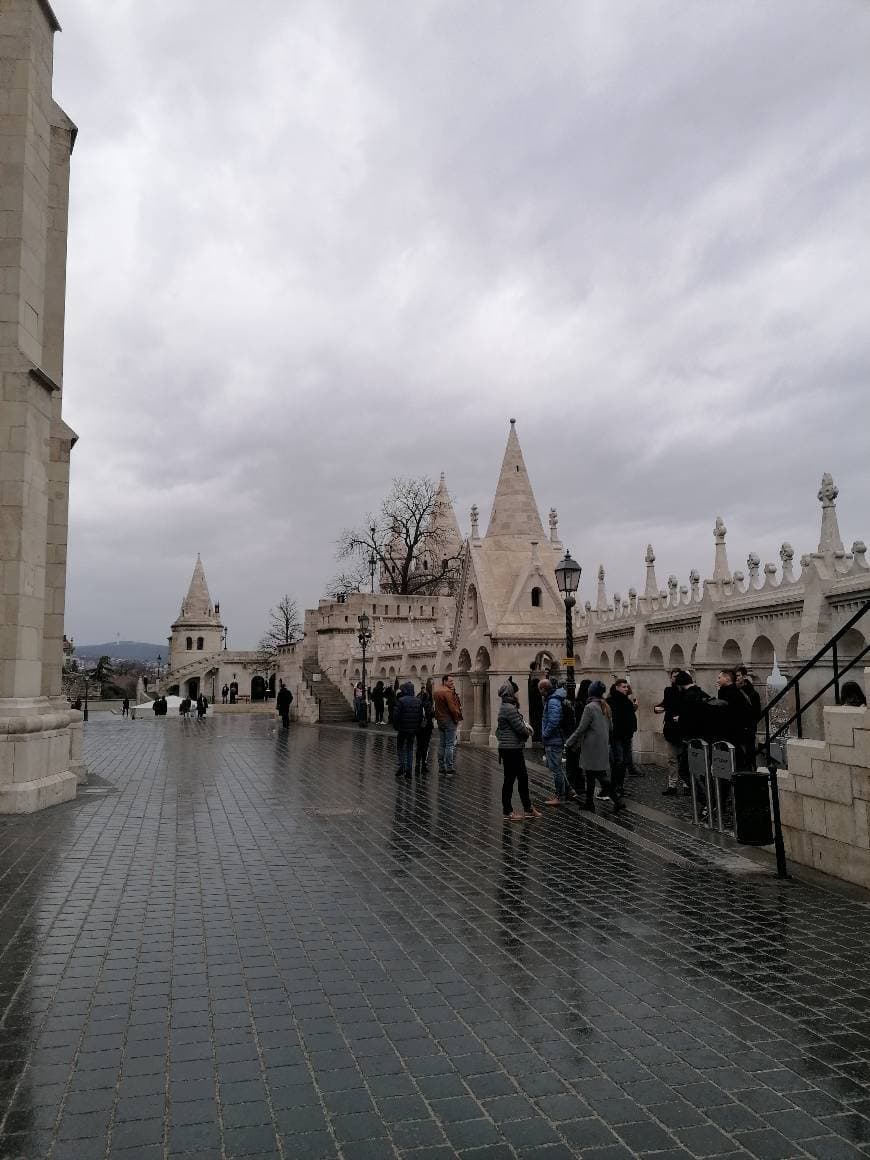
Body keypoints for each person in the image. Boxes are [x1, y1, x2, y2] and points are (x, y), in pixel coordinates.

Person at [566, 680, 615, 811]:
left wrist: (569, 741)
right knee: (591, 774)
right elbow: (611, 727)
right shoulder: (605, 705)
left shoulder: (590, 707)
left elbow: (581, 728)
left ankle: (617, 798)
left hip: (591, 745)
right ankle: (589, 802)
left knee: (597, 774)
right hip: (603, 743)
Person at [496, 681, 540, 821]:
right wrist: (528, 730)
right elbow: (519, 727)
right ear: (510, 693)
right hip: (511, 749)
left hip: (513, 747)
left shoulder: (506, 707)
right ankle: (508, 811)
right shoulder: (509, 708)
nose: (516, 694)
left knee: (523, 778)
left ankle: (528, 808)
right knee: (510, 780)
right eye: (514, 692)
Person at [655, 669, 689, 795]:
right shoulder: (668, 691)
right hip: (671, 729)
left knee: (685, 759)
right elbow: (665, 704)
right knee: (672, 759)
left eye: (678, 676)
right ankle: (672, 785)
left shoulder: (687, 691)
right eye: (674, 676)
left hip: (684, 729)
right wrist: (657, 708)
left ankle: (687, 784)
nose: (676, 679)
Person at [539, 679, 573, 806]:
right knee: (556, 767)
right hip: (555, 738)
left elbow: (554, 720)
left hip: (554, 739)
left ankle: (560, 795)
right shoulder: (553, 699)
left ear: (543, 689)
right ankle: (568, 790)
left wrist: (545, 734)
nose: (540, 692)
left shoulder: (552, 701)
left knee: (556, 769)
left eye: (540, 689)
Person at [607, 678, 640, 801]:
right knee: (618, 761)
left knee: (624, 761)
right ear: (617, 687)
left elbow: (628, 716)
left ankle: (619, 786)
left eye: (627, 687)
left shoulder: (626, 700)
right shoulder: (611, 701)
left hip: (627, 735)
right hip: (616, 736)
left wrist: (633, 707)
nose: (626, 689)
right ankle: (614, 787)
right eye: (623, 687)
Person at [392, 681, 423, 778]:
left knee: (400, 748)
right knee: (410, 749)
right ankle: (409, 770)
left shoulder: (401, 700)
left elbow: (396, 716)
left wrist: (396, 726)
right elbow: (420, 716)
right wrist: (417, 727)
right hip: (413, 730)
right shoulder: (418, 701)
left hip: (403, 729)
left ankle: (402, 766)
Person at [433, 674, 463, 776]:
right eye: (450, 681)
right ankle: (449, 768)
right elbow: (452, 708)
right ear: (444, 681)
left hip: (440, 720)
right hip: (449, 720)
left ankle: (441, 768)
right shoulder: (447, 692)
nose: (452, 683)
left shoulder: (437, 691)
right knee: (450, 745)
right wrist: (458, 715)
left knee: (442, 744)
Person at [735, 666, 761, 763]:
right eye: (735, 676)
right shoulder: (733, 692)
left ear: (744, 676)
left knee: (748, 754)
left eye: (738, 675)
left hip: (748, 729)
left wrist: (749, 725)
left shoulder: (752, 693)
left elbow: (757, 713)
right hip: (737, 729)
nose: (736, 678)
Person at [415, 678, 435, 774]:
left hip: (419, 726)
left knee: (419, 745)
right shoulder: (429, 699)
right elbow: (431, 713)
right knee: (425, 746)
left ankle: (417, 764)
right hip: (427, 726)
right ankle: (423, 764)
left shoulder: (418, 696)